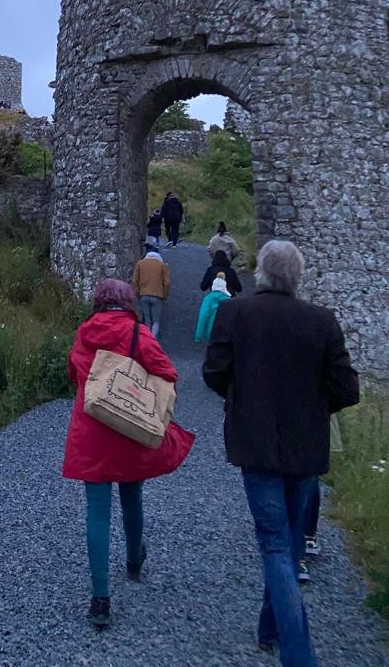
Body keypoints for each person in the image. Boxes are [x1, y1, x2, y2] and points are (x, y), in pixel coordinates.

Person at [203, 240, 359, 666]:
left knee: (275, 545)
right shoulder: (322, 321)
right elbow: (347, 389)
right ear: (297, 275)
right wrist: (313, 408)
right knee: (288, 542)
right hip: (305, 448)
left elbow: (213, 372)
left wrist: (243, 399)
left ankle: (297, 654)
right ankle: (271, 629)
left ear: (261, 273)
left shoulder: (235, 313)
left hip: (255, 445)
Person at [63, 279, 194, 629]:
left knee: (97, 512)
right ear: (128, 302)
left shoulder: (84, 333)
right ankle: (135, 559)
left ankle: (100, 599)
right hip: (129, 427)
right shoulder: (138, 333)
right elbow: (168, 374)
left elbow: (74, 373)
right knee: (132, 494)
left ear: (99, 302)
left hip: (92, 430)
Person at [132, 245, 170, 338]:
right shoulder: (162, 265)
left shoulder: (140, 264)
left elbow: (134, 281)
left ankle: (146, 339)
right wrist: (164, 295)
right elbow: (167, 283)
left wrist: (137, 293)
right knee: (156, 321)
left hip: (143, 295)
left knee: (147, 320)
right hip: (157, 296)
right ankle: (153, 340)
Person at [194, 272, 231, 343]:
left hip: (212, 331)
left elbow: (203, 315)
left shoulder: (208, 298)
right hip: (226, 332)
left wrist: (198, 336)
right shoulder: (229, 300)